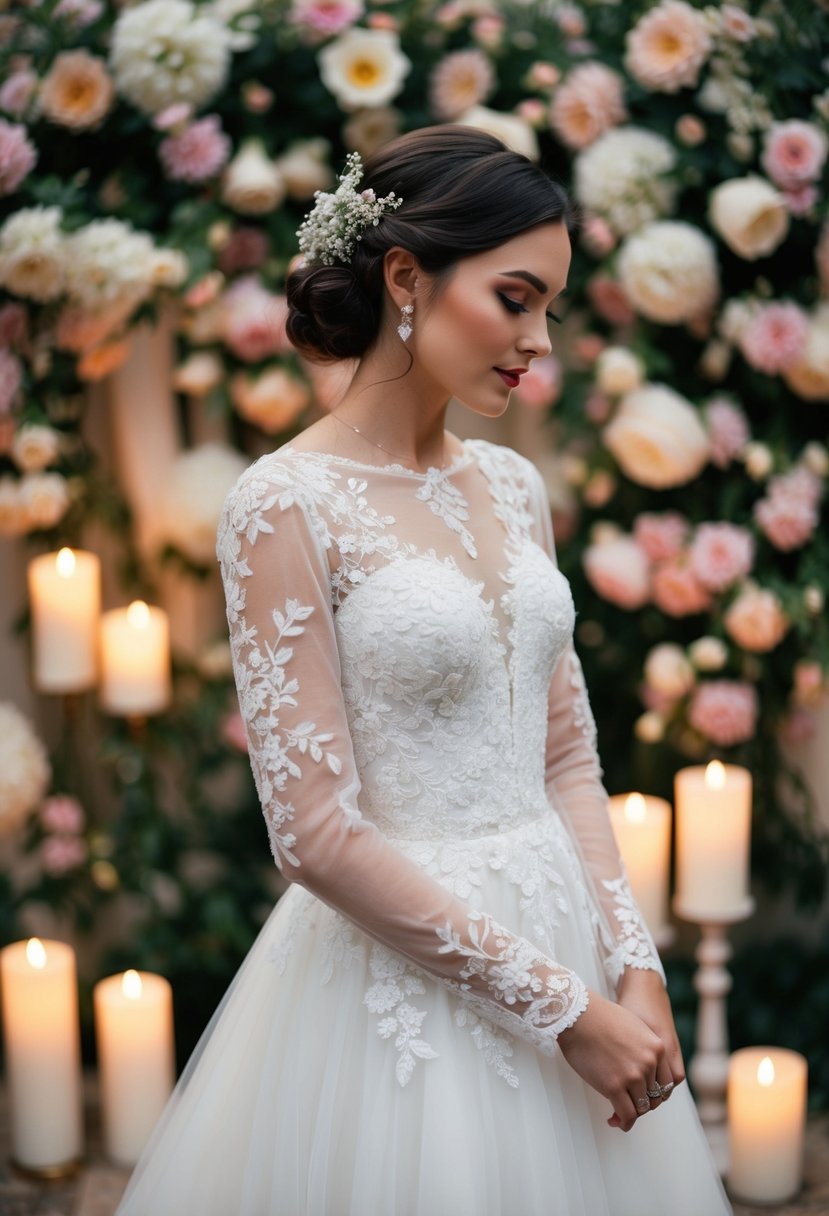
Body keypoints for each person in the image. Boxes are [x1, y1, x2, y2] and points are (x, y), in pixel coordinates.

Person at [116, 126, 732, 1216]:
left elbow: (564, 752)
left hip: (568, 936)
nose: (539, 339)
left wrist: (630, 963)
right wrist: (560, 1010)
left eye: (550, 306)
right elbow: (310, 830)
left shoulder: (514, 486)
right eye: (515, 297)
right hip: (398, 986)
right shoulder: (283, 502)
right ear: (406, 276)